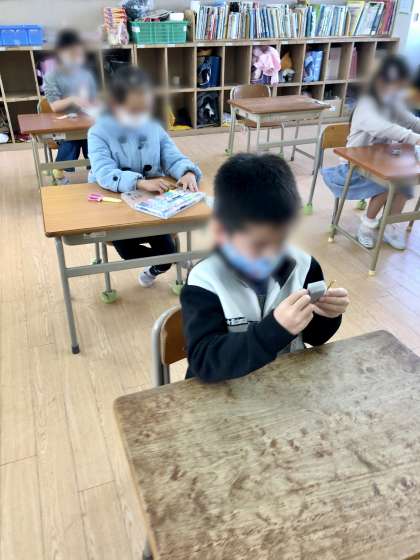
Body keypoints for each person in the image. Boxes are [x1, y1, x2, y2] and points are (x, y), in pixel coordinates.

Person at [181, 153, 349, 382]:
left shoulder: (305, 266)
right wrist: (273, 330)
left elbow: (315, 337)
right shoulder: (205, 280)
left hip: (284, 384)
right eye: (257, 243)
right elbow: (204, 361)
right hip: (226, 390)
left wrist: (327, 315)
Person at [88, 65, 202, 287]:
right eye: (132, 110)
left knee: (166, 254)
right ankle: (174, 260)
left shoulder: (153, 128)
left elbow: (173, 157)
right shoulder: (98, 131)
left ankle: (165, 264)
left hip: (153, 206)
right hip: (116, 205)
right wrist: (140, 182)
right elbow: (104, 172)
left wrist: (187, 172)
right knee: (128, 252)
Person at [322, 54, 420, 250]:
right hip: (352, 167)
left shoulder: (393, 104)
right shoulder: (366, 106)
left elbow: (412, 122)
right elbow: (382, 128)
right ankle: (366, 226)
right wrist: (414, 138)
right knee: (388, 185)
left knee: (405, 185)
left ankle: (390, 226)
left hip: (381, 162)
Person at [44, 29, 97, 184]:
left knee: (95, 137)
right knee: (72, 140)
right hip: (62, 123)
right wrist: (73, 99)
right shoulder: (51, 76)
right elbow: (54, 107)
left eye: (78, 54)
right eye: (72, 53)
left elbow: (93, 100)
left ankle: (96, 170)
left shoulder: (86, 75)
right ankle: (59, 172)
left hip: (85, 120)